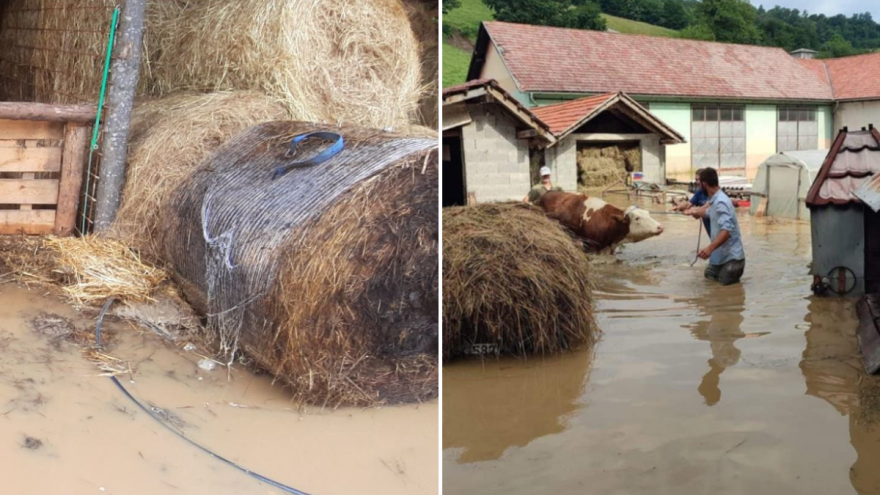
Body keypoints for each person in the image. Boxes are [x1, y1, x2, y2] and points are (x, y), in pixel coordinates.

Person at [688, 167, 745, 285]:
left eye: (700, 184)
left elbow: (726, 231)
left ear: (704, 184)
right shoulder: (715, 200)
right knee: (709, 280)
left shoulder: (721, 202)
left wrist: (709, 248)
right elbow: (710, 213)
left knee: (725, 294)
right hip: (719, 258)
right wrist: (697, 213)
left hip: (731, 260)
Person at [673, 168, 711, 236]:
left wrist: (692, 211)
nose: (698, 182)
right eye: (696, 180)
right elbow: (688, 204)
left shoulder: (712, 192)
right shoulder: (699, 192)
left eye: (700, 179)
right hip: (710, 230)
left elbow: (708, 207)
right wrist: (679, 207)